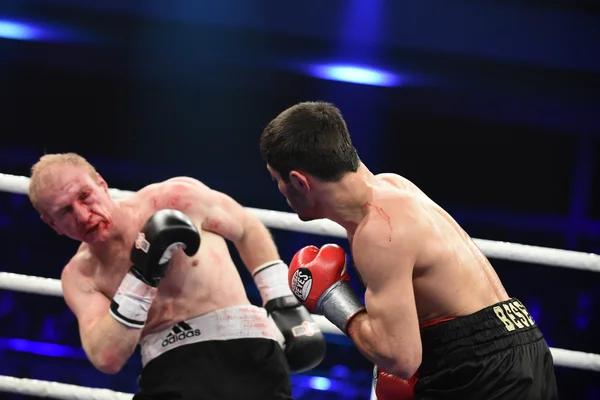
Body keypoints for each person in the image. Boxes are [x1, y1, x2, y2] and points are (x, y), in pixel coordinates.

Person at [259, 102, 558, 400]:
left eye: (277, 180)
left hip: (485, 371)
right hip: (521, 340)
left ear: (299, 181)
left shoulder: (377, 232)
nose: (279, 190)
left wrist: (332, 298)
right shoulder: (393, 184)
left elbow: (400, 358)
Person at [27, 153, 326, 400]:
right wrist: (143, 274)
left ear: (102, 185)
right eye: (65, 211)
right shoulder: (80, 276)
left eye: (84, 196)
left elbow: (246, 229)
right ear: (51, 224)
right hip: (169, 371)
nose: (82, 215)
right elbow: (107, 357)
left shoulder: (173, 198)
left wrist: (281, 301)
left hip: (245, 350)